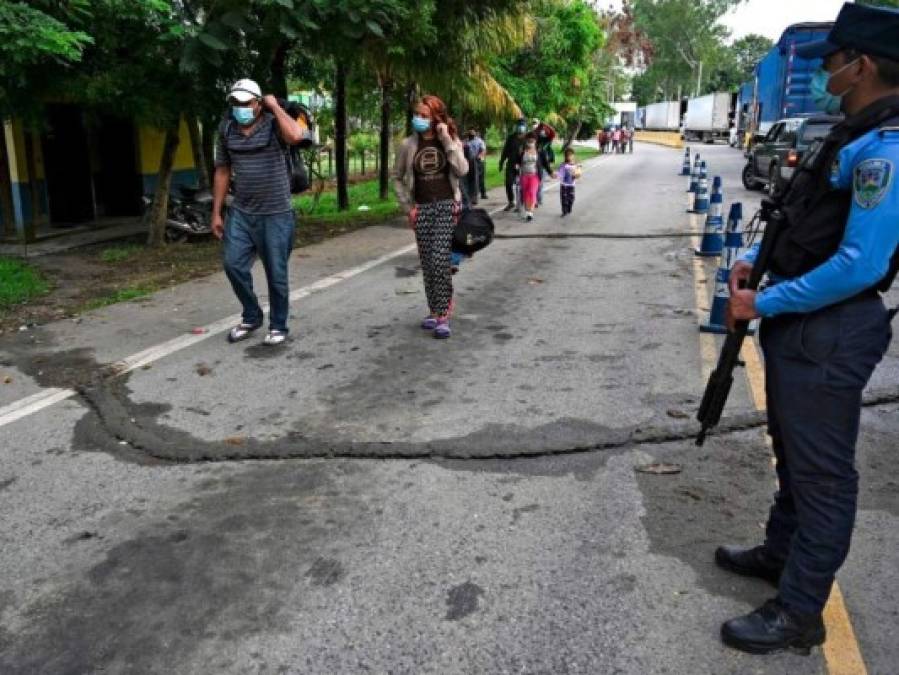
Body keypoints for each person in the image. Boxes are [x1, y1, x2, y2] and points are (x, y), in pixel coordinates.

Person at [719, 2, 899, 655]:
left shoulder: (887, 147)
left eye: (834, 57)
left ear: (863, 64)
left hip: (829, 328)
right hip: (802, 321)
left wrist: (763, 303)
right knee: (794, 455)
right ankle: (778, 552)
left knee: (822, 475)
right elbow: (806, 223)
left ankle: (799, 613)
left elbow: (860, 262)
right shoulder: (853, 131)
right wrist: (755, 264)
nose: (825, 66)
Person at [212, 78, 304, 346]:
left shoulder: (274, 124)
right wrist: (216, 212)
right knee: (232, 264)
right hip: (241, 211)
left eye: (246, 103)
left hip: (276, 213)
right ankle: (252, 316)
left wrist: (275, 107)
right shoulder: (227, 128)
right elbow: (222, 170)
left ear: (257, 104)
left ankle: (278, 325)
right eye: (235, 103)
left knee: (276, 273)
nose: (239, 108)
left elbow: (297, 136)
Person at [393, 95, 468, 339]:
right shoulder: (408, 145)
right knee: (427, 263)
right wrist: (408, 207)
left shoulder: (450, 140)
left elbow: (462, 169)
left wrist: (446, 138)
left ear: (436, 117)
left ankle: (443, 313)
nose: (419, 119)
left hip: (446, 206)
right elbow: (397, 177)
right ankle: (434, 309)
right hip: (421, 208)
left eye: (425, 115)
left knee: (439, 260)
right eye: (417, 114)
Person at [515, 133, 553, 221]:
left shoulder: (540, 151)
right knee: (525, 194)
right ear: (526, 141)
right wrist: (516, 165)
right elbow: (517, 161)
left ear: (535, 141)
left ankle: (530, 213)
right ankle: (527, 211)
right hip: (524, 176)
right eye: (529, 141)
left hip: (535, 176)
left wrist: (551, 172)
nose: (530, 143)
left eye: (532, 141)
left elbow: (545, 164)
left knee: (532, 192)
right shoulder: (522, 151)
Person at [499, 118, 528, 211]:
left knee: (521, 185)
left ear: (525, 126)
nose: (521, 127)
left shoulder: (527, 138)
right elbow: (505, 151)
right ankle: (511, 201)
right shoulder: (511, 138)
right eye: (519, 125)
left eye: (522, 125)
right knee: (508, 183)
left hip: (523, 164)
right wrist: (501, 162)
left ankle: (521, 203)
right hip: (511, 164)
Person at [557, 147, 578, 217]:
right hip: (564, 185)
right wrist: (560, 176)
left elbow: (578, 173)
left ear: (573, 155)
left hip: (572, 185)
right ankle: (564, 211)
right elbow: (560, 173)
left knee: (571, 198)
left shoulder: (575, 165)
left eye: (571, 155)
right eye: (568, 155)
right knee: (564, 199)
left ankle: (569, 207)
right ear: (565, 156)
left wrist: (576, 175)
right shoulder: (563, 165)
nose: (569, 157)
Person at [468, 128, 489, 199]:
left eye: (472, 134)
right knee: (473, 179)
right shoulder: (466, 141)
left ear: (475, 134)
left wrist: (479, 156)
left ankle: (483, 193)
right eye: (470, 134)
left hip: (479, 161)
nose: (471, 135)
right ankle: (474, 196)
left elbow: (483, 150)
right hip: (470, 162)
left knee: (481, 178)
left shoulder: (479, 141)